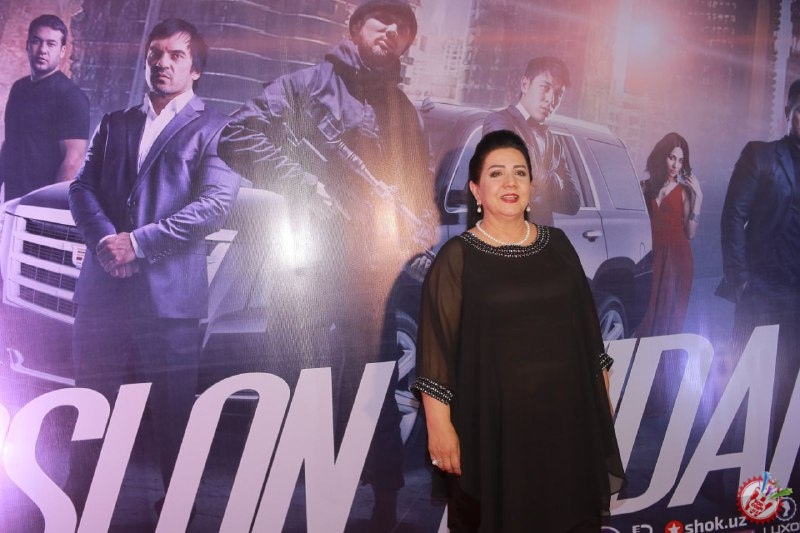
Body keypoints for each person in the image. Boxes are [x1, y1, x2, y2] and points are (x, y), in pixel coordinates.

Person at [218, 0, 435, 528]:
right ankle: (271, 501)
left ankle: (383, 501)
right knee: (293, 375)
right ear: (355, 26)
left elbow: (415, 188)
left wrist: (417, 228)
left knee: (375, 383)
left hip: (373, 272)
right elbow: (236, 135)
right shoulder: (305, 86)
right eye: (381, 19)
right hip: (310, 261)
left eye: (403, 26)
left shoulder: (403, 111)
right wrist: (305, 183)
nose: (392, 30)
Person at [67, 18, 240, 515]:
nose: (163, 63)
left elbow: (214, 206)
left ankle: (177, 507)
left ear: (196, 69)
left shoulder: (217, 128)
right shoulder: (115, 123)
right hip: (103, 291)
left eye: (176, 56)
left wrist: (138, 245)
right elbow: (81, 188)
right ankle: (75, 502)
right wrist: (107, 242)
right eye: (155, 54)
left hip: (169, 300)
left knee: (173, 410)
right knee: (91, 402)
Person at [412, 130, 625, 532]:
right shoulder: (456, 258)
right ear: (476, 190)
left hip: (567, 422)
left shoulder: (558, 245)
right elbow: (436, 350)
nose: (510, 182)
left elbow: (588, 332)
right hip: (492, 432)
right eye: (496, 173)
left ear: (530, 186)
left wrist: (602, 401)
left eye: (520, 172)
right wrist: (439, 429)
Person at [717, 79, 800, 485]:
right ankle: (731, 484)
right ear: (789, 113)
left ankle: (779, 484)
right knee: (748, 389)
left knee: (790, 393)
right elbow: (733, 216)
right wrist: (743, 283)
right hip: (762, 293)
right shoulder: (762, 155)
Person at [0, 14, 89, 201]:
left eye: (51, 44)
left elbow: (72, 161)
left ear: (62, 51)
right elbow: (10, 145)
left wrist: (46, 207)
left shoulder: (71, 97)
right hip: (12, 201)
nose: (42, 50)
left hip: (40, 205)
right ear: (27, 45)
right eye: (36, 41)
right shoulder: (19, 88)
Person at [482, 56, 580, 226]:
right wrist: (554, 181)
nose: (551, 100)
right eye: (545, 87)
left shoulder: (554, 143)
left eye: (558, 94)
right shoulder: (499, 121)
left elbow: (572, 203)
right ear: (525, 84)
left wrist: (539, 180)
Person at [636, 132, 702, 337]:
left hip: (677, 260)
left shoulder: (683, 192)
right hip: (651, 257)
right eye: (672, 157)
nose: (676, 165)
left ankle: (664, 359)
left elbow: (690, 234)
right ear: (662, 155)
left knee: (668, 321)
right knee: (644, 315)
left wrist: (699, 198)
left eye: (680, 160)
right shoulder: (644, 187)